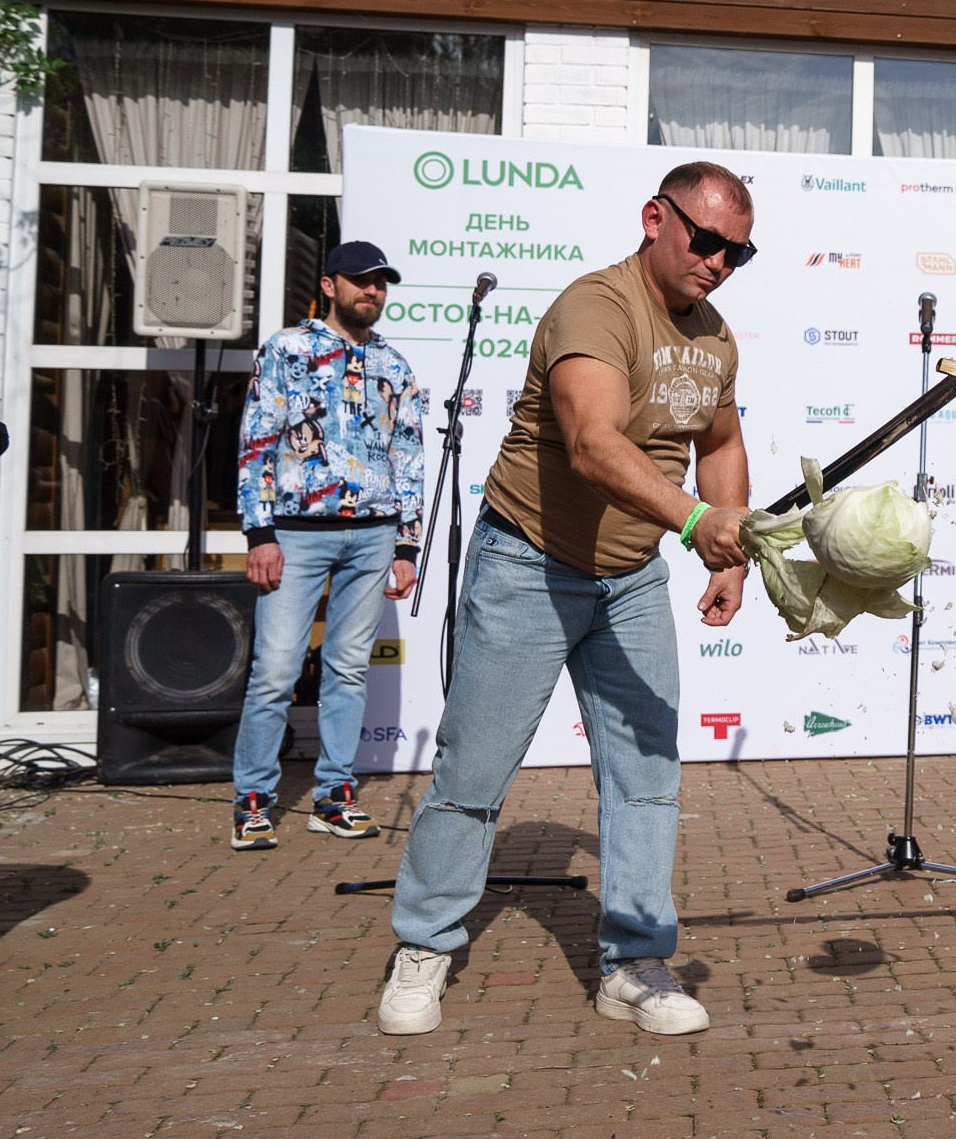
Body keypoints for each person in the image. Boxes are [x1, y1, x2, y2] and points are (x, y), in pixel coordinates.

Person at [377, 163, 759, 1038]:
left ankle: (632, 964)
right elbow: (592, 444)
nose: (719, 263)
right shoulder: (595, 307)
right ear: (655, 218)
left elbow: (723, 440)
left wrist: (727, 547)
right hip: (530, 564)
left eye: (739, 251)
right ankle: (426, 943)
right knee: (474, 773)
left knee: (646, 779)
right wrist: (697, 519)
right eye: (705, 241)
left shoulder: (716, 334)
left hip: (630, 580)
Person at [230, 242, 425, 851]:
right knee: (276, 670)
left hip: (372, 536)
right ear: (330, 285)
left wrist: (406, 544)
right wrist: (258, 531)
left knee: (347, 669)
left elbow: (409, 457)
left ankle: (333, 796)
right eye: (361, 281)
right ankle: (253, 798)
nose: (372, 291)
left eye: (381, 283)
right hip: (294, 532)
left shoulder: (395, 364)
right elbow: (257, 437)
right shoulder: (287, 349)